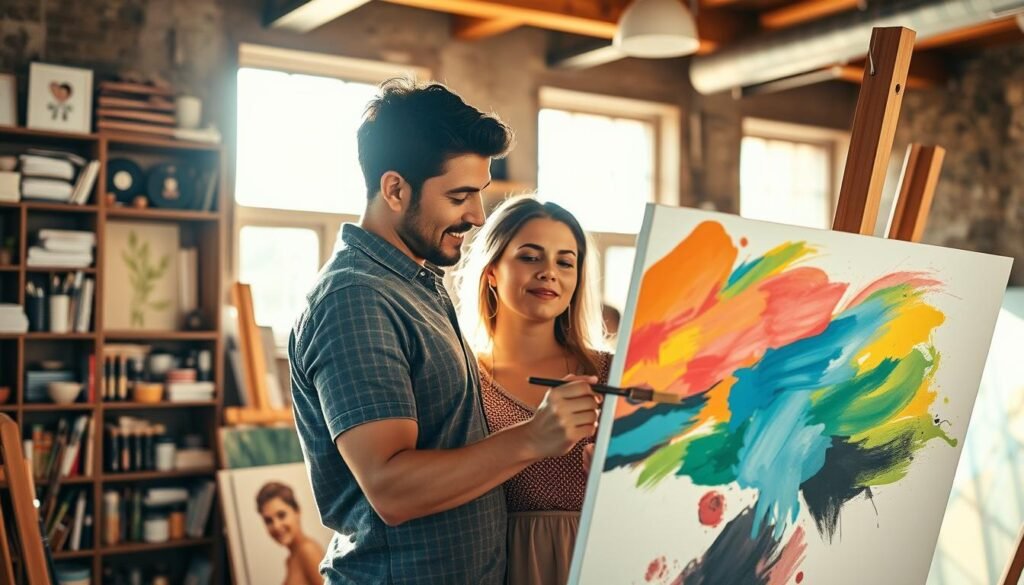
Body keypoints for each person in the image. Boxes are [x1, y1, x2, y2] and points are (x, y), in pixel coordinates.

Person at [288, 78, 600, 585]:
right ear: (395, 189)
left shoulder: (418, 285)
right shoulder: (357, 298)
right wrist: (534, 438)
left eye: (478, 194)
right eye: (460, 196)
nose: (477, 216)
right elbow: (391, 489)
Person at [456, 196, 612, 585]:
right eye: (530, 257)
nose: (549, 273)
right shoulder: (461, 379)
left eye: (565, 261)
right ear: (492, 270)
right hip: (501, 567)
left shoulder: (612, 374)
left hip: (607, 564)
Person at [256, 482, 326, 585]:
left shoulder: (307, 551)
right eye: (268, 521)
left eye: (281, 515)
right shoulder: (290, 559)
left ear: (297, 511)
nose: (276, 526)